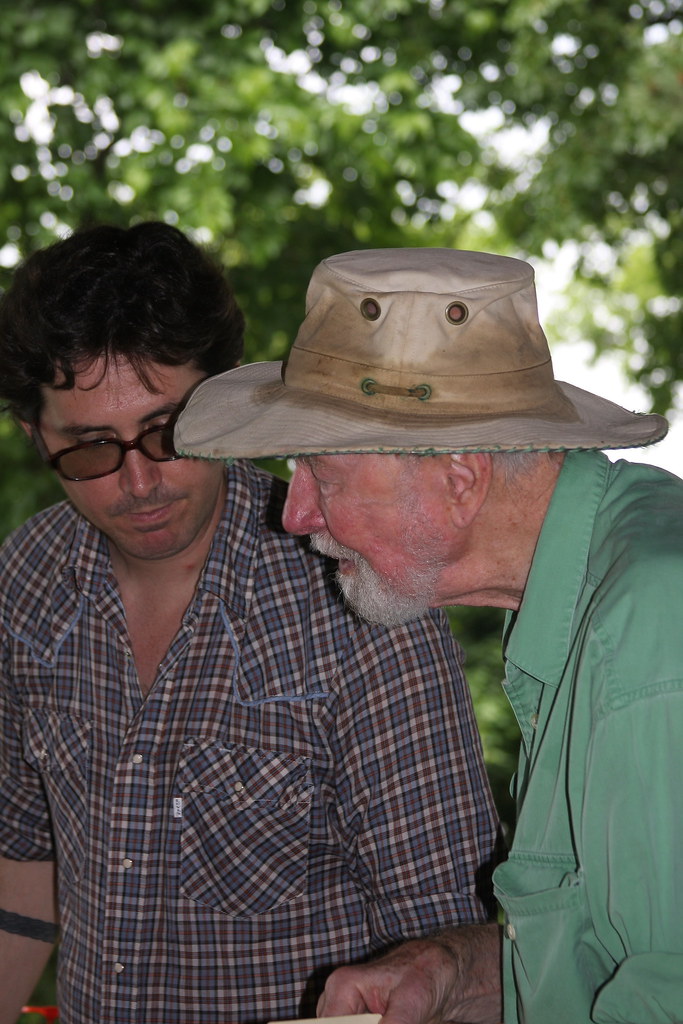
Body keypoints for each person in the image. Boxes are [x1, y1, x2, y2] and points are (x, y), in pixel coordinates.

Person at [0, 228, 503, 1024]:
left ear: (226, 399)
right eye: (90, 448)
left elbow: (458, 946)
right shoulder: (28, 582)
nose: (139, 482)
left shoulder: (354, 594)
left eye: (170, 432)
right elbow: (25, 855)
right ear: (37, 437)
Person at [175, 246, 683, 1024]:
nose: (295, 514)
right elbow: (605, 957)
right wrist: (449, 969)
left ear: (459, 477)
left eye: (324, 475)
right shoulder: (587, 599)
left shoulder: (650, 629)